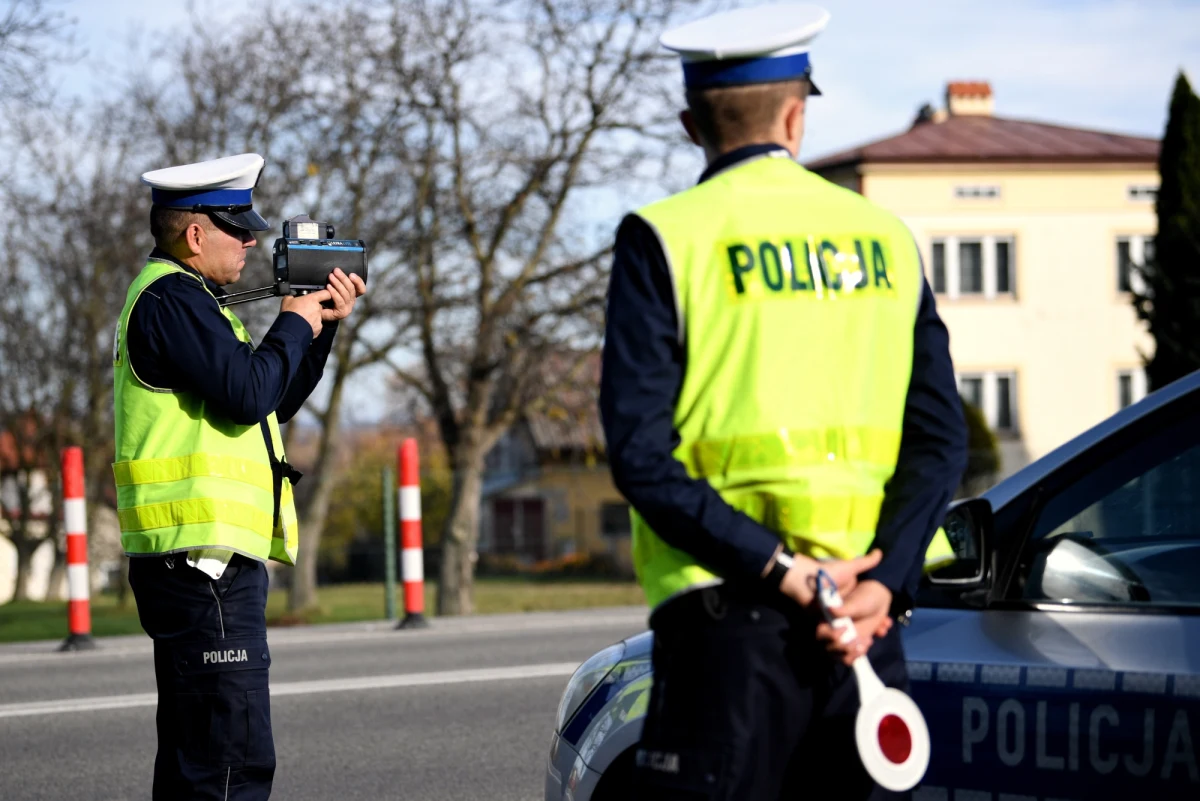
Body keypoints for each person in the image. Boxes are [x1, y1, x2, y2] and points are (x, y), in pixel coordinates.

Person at [598, 5, 969, 800]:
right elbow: (939, 442)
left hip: (726, 633)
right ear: (796, 116)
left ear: (691, 123)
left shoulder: (664, 236)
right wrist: (885, 585)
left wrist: (788, 573)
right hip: (864, 637)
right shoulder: (887, 239)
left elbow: (639, 457)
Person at [114, 152, 365, 800]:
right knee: (229, 763)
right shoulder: (172, 299)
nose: (253, 239)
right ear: (195, 234)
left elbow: (267, 403)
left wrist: (320, 328)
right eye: (239, 227)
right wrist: (291, 320)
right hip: (203, 566)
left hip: (204, 565)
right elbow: (251, 390)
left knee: (199, 757)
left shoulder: (191, 302)